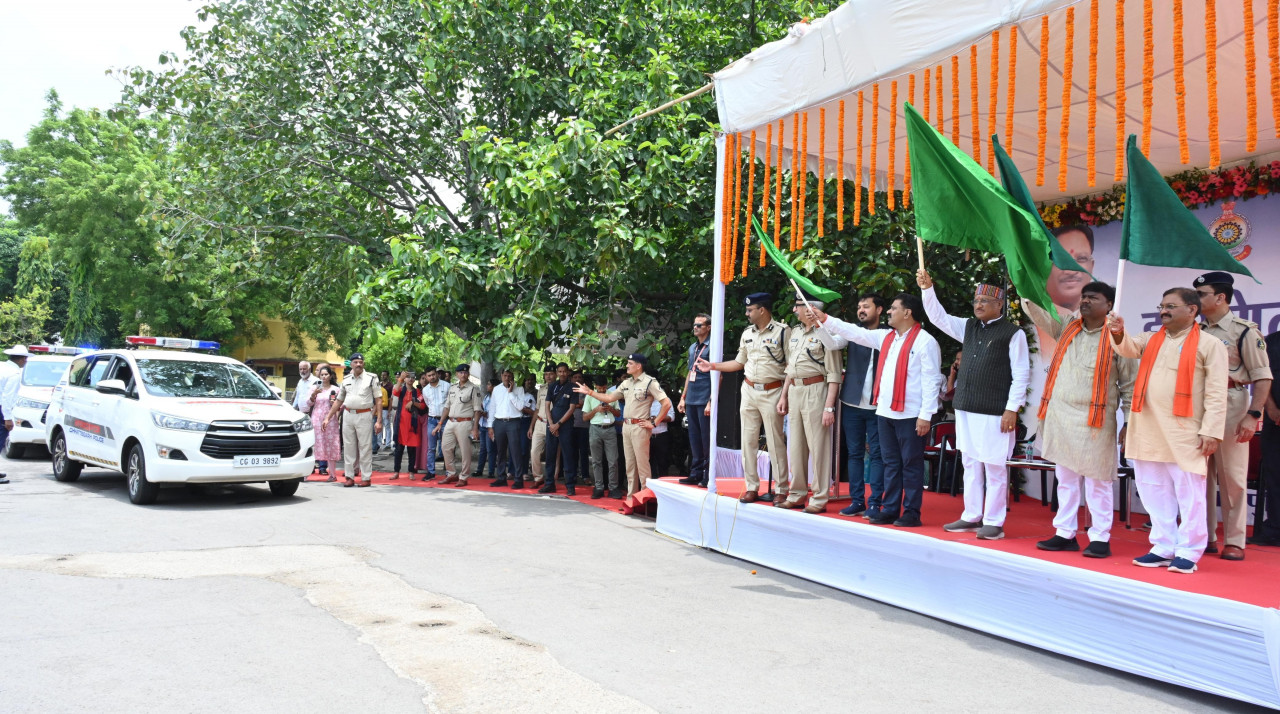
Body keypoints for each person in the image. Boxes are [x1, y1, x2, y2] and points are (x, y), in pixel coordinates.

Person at [1109, 288, 1228, 574]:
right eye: (1161, 306)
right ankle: (1163, 546)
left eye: (1171, 306)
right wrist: (1117, 331)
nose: (1163, 311)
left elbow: (1216, 393)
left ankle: (1188, 550)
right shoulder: (1151, 339)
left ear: (1192, 310)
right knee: (1153, 490)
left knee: (1190, 493)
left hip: (1184, 431)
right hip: (1148, 427)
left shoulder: (1210, 345)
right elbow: (1127, 347)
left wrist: (1211, 431)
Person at [808, 295, 944, 527]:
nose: (889, 312)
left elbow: (932, 381)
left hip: (911, 414)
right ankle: (890, 509)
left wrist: (926, 415)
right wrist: (827, 319)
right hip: (885, 412)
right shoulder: (886, 337)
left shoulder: (925, 341)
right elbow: (853, 332)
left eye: (893, 308)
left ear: (907, 313)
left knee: (910, 464)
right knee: (891, 462)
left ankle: (911, 512)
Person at [1023, 284, 1136, 558]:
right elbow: (1038, 314)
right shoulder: (1067, 326)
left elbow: (1129, 386)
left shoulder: (1119, 338)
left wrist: (1129, 423)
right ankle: (1065, 533)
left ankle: (1100, 537)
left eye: (1092, 298)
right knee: (1066, 479)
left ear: (1108, 305)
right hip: (1061, 415)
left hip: (1095, 420)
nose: (1084, 301)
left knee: (1098, 481)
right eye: (1083, 297)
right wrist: (1024, 284)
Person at [918, 269, 1031, 541]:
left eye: (984, 301)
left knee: (994, 465)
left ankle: (994, 521)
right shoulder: (968, 327)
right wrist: (927, 289)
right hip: (966, 407)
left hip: (995, 411)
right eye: (976, 300)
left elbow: (1022, 374)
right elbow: (937, 317)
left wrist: (1011, 409)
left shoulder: (1013, 334)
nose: (978, 305)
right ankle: (971, 515)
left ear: (999, 305)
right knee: (969, 462)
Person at [1194, 271, 1273, 561]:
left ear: (1221, 297)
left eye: (1202, 294)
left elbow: (1262, 377)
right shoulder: (1195, 330)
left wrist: (1253, 414)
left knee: (1232, 477)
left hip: (1232, 401)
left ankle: (1235, 540)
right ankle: (1204, 537)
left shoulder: (1243, 331)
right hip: (1199, 405)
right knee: (1199, 475)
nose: (1197, 300)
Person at [696, 292, 790, 504]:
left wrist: (786, 395)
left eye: (750, 310)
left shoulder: (783, 332)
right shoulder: (747, 333)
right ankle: (752, 487)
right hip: (748, 390)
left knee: (775, 443)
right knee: (748, 442)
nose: (747, 313)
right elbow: (739, 362)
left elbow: (791, 366)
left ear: (762, 310)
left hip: (773, 390)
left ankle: (781, 488)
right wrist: (712, 366)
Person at [777, 290, 845, 513]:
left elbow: (834, 374)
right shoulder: (795, 332)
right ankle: (796, 494)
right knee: (795, 446)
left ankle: (819, 497)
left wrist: (829, 406)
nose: (794, 310)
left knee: (819, 447)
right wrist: (784, 395)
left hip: (817, 390)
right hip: (795, 389)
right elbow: (790, 368)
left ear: (810, 308)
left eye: (798, 306)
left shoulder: (826, 334)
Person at [575, 354, 671, 497]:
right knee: (630, 465)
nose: (627, 366)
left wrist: (654, 422)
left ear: (638, 366)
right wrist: (590, 392)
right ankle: (632, 498)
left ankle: (645, 498)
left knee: (642, 465)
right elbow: (609, 398)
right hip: (627, 426)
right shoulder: (626, 383)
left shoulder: (650, 382)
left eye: (630, 363)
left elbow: (666, 403)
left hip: (640, 426)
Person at [838, 295, 886, 517]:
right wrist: (817, 325)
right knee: (854, 453)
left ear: (880, 310)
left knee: (878, 454)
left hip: (880, 405)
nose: (861, 310)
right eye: (858, 307)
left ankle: (875, 502)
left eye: (866, 306)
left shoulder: (889, 334)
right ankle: (857, 501)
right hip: (852, 402)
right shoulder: (851, 331)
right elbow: (832, 343)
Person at [322, 353, 383, 487]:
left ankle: (366, 477)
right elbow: (339, 401)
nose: (358, 364)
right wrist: (328, 417)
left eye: (361, 362)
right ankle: (349, 476)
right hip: (348, 414)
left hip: (364, 415)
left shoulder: (371, 378)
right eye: (355, 362)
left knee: (365, 447)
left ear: (363, 364)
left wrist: (379, 420)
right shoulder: (346, 379)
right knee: (349, 447)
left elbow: (378, 400)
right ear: (351, 364)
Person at [678, 314, 714, 487]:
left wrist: (711, 401)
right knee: (694, 438)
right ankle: (695, 472)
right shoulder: (693, 347)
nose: (696, 327)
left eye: (700, 325)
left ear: (708, 327)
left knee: (706, 438)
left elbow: (718, 375)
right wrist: (683, 397)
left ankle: (708, 475)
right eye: (694, 325)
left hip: (704, 397)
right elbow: (689, 373)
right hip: (691, 397)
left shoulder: (713, 346)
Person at [1253, 329, 1280, 547]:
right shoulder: (1271, 342)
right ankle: (1274, 530)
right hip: (1275, 418)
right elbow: (1263, 376)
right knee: (1274, 473)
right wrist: (1270, 408)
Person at [439, 364, 482, 486]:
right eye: (460, 373)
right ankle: (451, 473)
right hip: (450, 421)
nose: (463, 374)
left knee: (465, 451)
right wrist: (440, 422)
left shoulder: (474, 388)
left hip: (465, 422)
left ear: (468, 374)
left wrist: (475, 428)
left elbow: (477, 410)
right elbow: (447, 406)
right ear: (457, 374)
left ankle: (463, 477)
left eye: (465, 372)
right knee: (446, 448)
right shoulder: (452, 388)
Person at [489, 369, 531, 489]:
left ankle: (518, 479)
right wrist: (490, 426)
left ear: (513, 377)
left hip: (514, 422)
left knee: (515, 451)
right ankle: (501, 477)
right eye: (505, 375)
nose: (507, 378)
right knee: (500, 451)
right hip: (499, 422)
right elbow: (492, 408)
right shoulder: (496, 389)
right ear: (501, 376)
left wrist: (511, 392)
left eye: (509, 376)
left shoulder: (519, 389)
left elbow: (520, 407)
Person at [542, 363, 580, 494]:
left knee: (568, 455)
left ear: (568, 372)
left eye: (564, 371)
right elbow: (547, 406)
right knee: (550, 454)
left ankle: (570, 485)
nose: (562, 374)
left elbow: (572, 408)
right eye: (560, 371)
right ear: (557, 373)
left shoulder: (573, 387)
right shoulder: (552, 386)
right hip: (551, 424)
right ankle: (549, 483)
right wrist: (551, 423)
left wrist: (558, 424)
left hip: (566, 425)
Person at [582, 373, 621, 498]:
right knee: (596, 461)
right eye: (599, 388)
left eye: (604, 387)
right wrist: (596, 410)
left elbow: (618, 414)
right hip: (595, 429)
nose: (602, 390)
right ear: (595, 386)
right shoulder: (590, 396)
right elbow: (584, 417)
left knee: (613, 460)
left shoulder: (611, 395)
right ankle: (599, 487)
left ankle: (613, 487)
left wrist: (610, 408)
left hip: (610, 429)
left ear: (607, 385)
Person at [1, 345, 31, 485]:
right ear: (22, 359)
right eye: (25, 359)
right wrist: (7, 418)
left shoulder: (3, 367)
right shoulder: (13, 374)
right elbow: (7, 397)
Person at [306, 365, 342, 479]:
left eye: (326, 374)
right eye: (322, 375)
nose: (324, 377)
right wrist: (314, 394)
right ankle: (306, 473)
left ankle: (332, 474)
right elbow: (308, 403)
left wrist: (333, 403)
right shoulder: (314, 388)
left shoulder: (336, 389)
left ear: (330, 376)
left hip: (330, 420)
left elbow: (341, 405)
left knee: (331, 445)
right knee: (314, 444)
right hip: (316, 418)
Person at [390, 371, 425, 480]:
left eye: (412, 377)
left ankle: (411, 471)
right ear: (405, 379)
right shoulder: (401, 390)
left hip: (412, 424)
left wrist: (414, 403)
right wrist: (400, 379)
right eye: (408, 377)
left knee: (411, 450)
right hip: (401, 424)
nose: (410, 379)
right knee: (399, 449)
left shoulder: (417, 391)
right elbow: (395, 392)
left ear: (414, 380)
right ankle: (396, 471)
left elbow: (423, 406)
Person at [415, 366, 449, 480]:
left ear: (437, 374)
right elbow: (428, 404)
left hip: (445, 420)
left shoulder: (446, 386)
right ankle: (431, 472)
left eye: (433, 374)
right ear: (426, 377)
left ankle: (449, 472)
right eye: (429, 375)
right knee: (431, 448)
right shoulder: (425, 390)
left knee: (447, 447)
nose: (432, 377)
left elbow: (449, 403)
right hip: (432, 420)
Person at [528, 365, 555, 487]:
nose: (548, 376)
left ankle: (551, 478)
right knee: (534, 451)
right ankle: (538, 477)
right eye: (546, 374)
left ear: (555, 374)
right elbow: (537, 409)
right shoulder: (541, 389)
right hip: (539, 422)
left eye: (551, 373)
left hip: (552, 425)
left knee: (552, 453)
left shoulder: (559, 388)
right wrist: (531, 426)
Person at [475, 377, 499, 479]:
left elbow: (496, 412)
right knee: (483, 449)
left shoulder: (497, 397)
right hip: (483, 425)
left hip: (491, 426)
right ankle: (479, 470)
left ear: (494, 386)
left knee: (491, 449)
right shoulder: (486, 397)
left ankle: (491, 471)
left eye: (489, 384)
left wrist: (486, 414)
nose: (487, 386)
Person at [648, 394, 673, 479]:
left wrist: (658, 418)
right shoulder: (644, 400)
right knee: (648, 462)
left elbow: (671, 417)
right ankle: (650, 486)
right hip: (647, 436)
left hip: (661, 435)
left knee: (663, 462)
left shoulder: (666, 400)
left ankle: (663, 484)